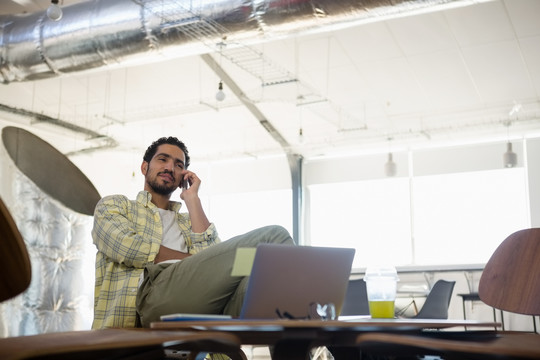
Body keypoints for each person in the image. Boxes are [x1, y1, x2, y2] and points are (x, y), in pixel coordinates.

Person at [92, 136, 294, 329]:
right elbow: (129, 247)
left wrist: (192, 198)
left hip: (204, 303)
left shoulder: (189, 221)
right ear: (145, 167)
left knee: (267, 274)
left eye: (179, 165)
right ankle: (322, 327)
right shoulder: (117, 205)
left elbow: (215, 261)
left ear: (183, 176)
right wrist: (192, 261)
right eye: (163, 159)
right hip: (151, 300)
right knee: (273, 237)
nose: (170, 167)